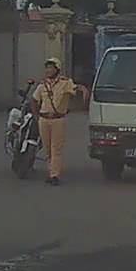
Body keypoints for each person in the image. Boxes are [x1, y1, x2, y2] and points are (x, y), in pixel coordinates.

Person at [28, 57, 86, 186]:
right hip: (44, 119)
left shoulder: (65, 83)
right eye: (47, 68)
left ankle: (55, 175)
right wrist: (36, 116)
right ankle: (51, 172)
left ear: (57, 69)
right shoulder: (42, 85)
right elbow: (34, 100)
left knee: (56, 148)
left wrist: (82, 94)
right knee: (47, 148)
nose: (48, 70)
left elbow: (76, 90)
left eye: (51, 68)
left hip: (58, 119)